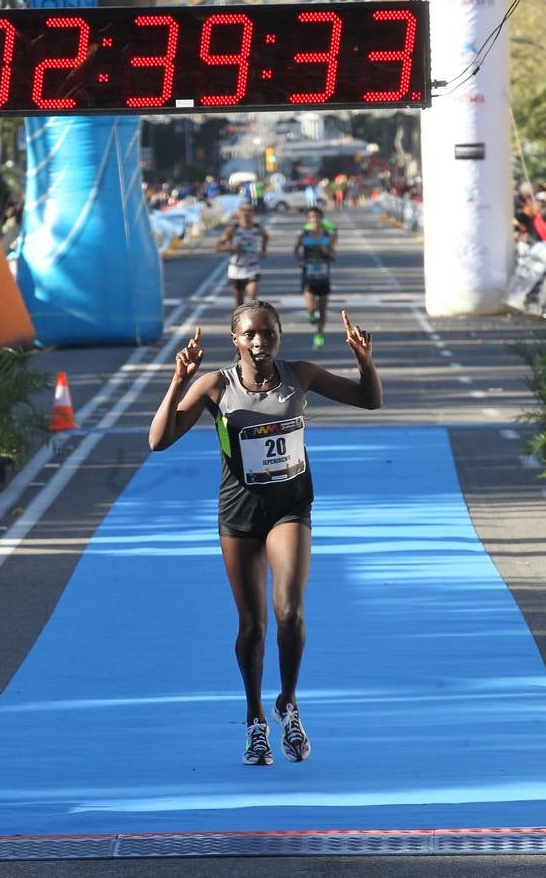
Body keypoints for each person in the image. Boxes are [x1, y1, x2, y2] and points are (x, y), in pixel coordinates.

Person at [149, 300, 383, 766]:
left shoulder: (301, 375)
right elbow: (158, 440)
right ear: (234, 339)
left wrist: (365, 361)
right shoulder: (216, 385)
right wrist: (178, 379)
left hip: (290, 509)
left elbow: (370, 399)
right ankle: (255, 716)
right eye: (250, 335)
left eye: (268, 334)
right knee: (252, 626)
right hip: (239, 515)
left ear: (279, 335)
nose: (260, 343)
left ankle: (288, 704)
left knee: (289, 612)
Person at [294, 206, 336, 351]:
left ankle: (319, 336)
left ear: (321, 219)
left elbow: (335, 257)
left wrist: (328, 252)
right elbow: (295, 251)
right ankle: (311, 313)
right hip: (308, 275)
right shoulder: (304, 235)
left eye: (317, 217)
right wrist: (300, 260)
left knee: (323, 309)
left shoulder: (327, 235)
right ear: (308, 220)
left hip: (323, 276)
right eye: (311, 217)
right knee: (311, 306)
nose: (314, 220)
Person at [216, 202, 269, 308]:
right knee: (239, 303)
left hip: (252, 267)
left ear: (253, 213)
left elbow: (265, 237)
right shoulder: (233, 230)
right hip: (236, 269)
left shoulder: (258, 228)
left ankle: (251, 322)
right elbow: (218, 247)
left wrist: (263, 250)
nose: (246, 213)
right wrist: (232, 248)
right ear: (239, 213)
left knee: (252, 299)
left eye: (249, 210)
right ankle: (239, 322)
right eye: (243, 210)